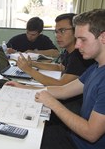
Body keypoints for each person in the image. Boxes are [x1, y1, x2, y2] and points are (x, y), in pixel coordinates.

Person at [8, 9, 105, 149]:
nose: (77, 45)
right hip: (73, 136)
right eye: (77, 39)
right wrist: (24, 88)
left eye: (83, 39)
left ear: (103, 37)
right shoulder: (95, 67)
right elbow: (63, 90)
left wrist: (52, 103)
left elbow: (91, 133)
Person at [17, 13, 95, 86]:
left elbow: (60, 85)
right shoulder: (69, 50)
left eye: (62, 31)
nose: (57, 36)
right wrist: (33, 63)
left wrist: (29, 70)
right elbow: (60, 67)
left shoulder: (79, 55)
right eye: (56, 32)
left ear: (76, 30)